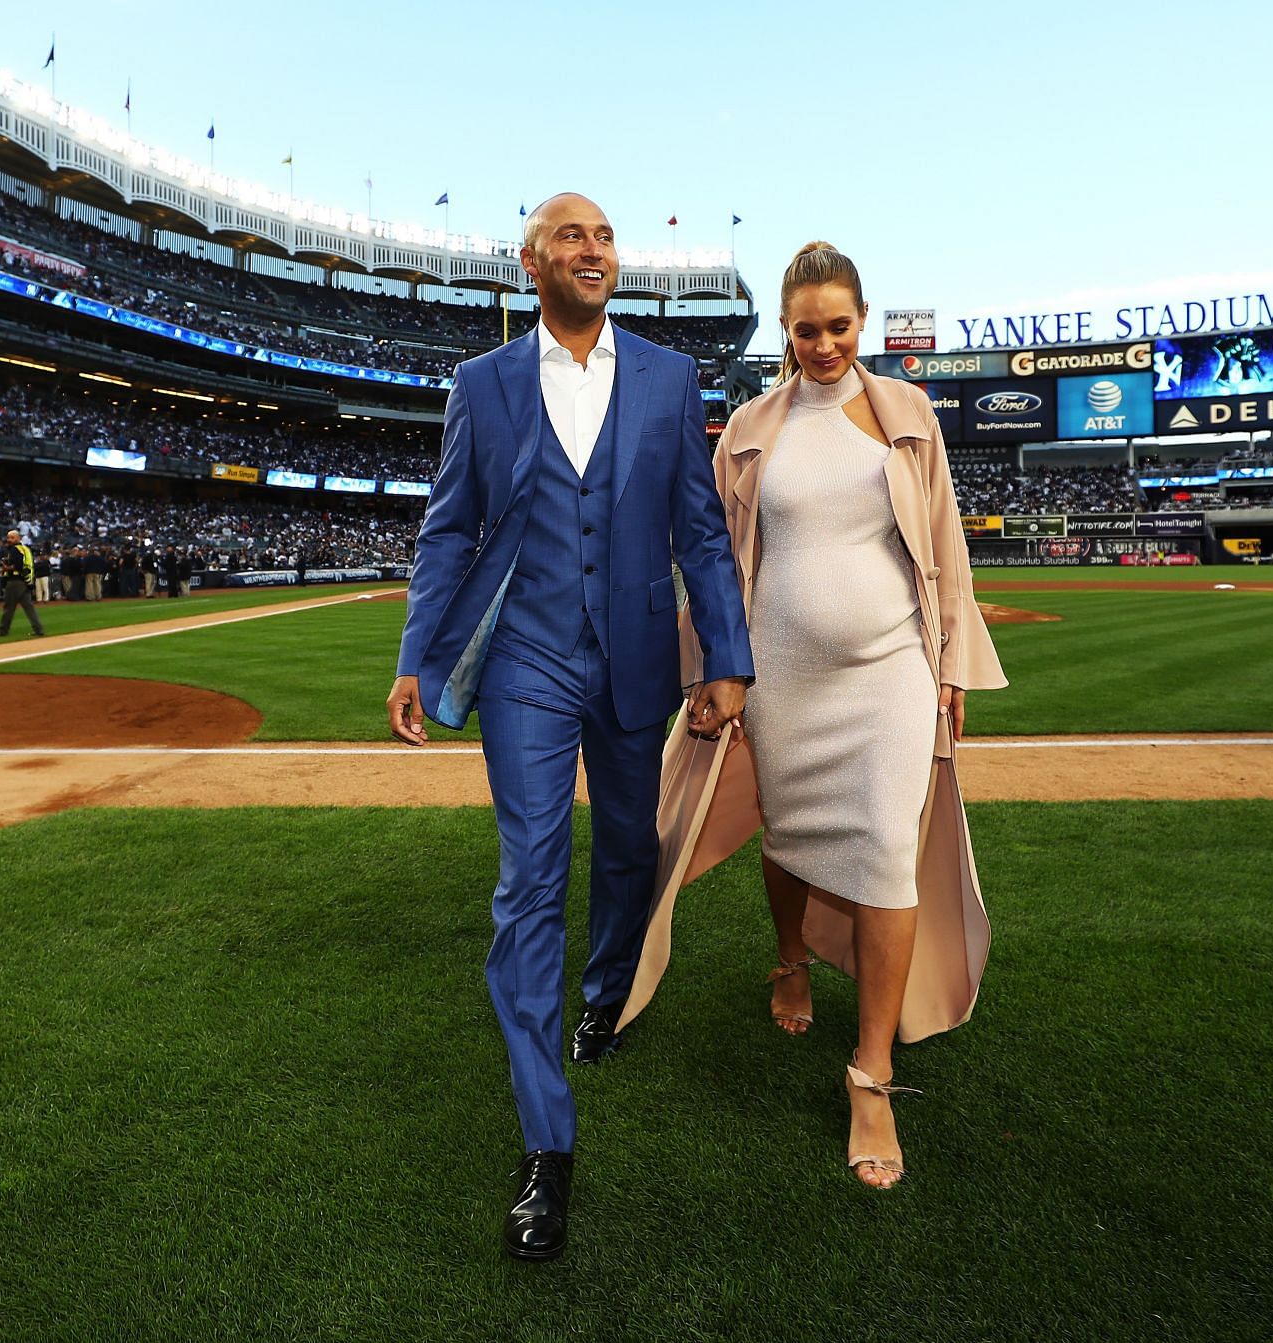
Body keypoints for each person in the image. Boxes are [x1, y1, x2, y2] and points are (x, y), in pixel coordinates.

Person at [386, 193, 753, 1261]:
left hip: (638, 654)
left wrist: (725, 656)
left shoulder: (670, 377)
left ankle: (603, 993)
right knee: (528, 875)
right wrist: (416, 655)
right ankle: (547, 1145)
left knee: (630, 850)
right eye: (569, 237)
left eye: (602, 237)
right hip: (527, 666)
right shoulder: (481, 385)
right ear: (530, 262)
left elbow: (699, 527)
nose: (591, 251)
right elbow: (448, 528)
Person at [619, 242, 1008, 1191]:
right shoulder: (750, 427)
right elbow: (712, 562)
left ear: (862, 321)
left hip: (890, 672)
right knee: (788, 835)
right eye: (805, 329)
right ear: (783, 332)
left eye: (838, 326)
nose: (823, 344)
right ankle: (789, 961)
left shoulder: (910, 414)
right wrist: (716, 667)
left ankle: (870, 1073)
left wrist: (952, 661)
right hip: (780, 675)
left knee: (883, 848)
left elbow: (945, 543)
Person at [0, 527, 45, 637]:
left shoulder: (15, 549)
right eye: (8, 537)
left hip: (15, 581)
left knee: (9, 607)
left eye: (12, 537)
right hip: (25, 580)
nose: (9, 540)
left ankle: (2, 630)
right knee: (29, 607)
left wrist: (6, 568)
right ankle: (38, 629)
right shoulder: (25, 549)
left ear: (18, 538)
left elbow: (18, 566)